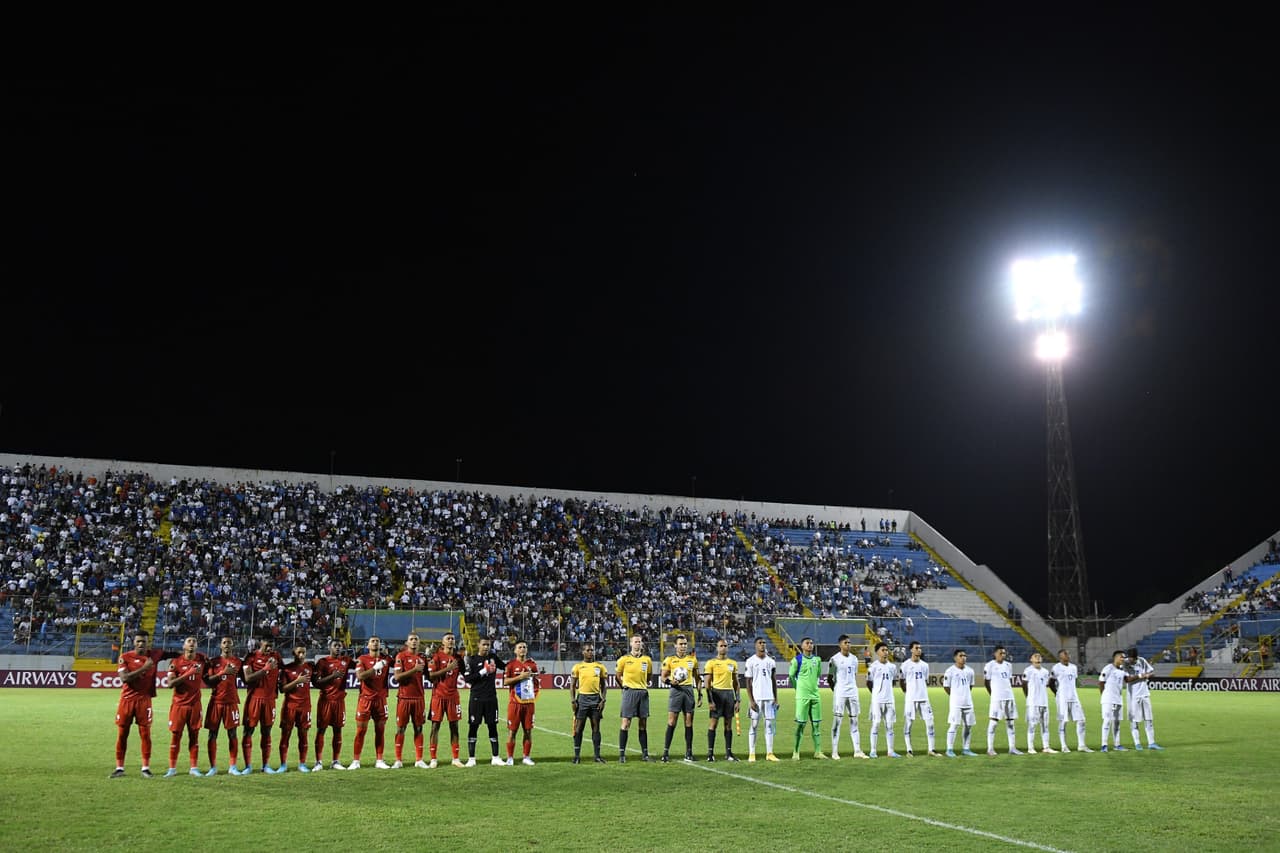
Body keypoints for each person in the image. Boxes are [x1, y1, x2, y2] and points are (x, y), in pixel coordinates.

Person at [111, 632, 172, 777]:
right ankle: (119, 768)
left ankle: (145, 768)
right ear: (134, 642)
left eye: (143, 642)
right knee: (122, 735)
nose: (141, 644)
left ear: (147, 643)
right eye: (138, 641)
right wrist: (145, 668)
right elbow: (124, 678)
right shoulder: (125, 657)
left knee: (145, 735)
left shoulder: (154, 655)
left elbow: (174, 654)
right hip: (127, 700)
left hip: (144, 701)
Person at [164, 636, 207, 777]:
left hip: (195, 705)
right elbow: (170, 684)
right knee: (176, 736)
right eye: (189, 642)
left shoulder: (202, 659)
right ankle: (172, 768)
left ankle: (194, 768)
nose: (192, 644)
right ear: (183, 646)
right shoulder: (175, 662)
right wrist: (188, 673)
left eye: (194, 642)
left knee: (194, 736)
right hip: (179, 705)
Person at [241, 635, 284, 774]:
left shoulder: (276, 656)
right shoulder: (251, 657)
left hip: (270, 700)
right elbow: (247, 678)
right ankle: (248, 766)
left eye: (271, 645)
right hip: (254, 699)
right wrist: (265, 669)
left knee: (266, 731)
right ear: (261, 643)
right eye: (267, 645)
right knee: (248, 731)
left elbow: (285, 669)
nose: (269, 648)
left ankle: (265, 765)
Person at [202, 635, 243, 776]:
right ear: (220, 645)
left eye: (229, 643)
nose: (227, 645)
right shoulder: (214, 662)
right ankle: (213, 767)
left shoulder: (238, 661)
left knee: (232, 734)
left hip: (231, 702)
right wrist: (222, 673)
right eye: (224, 643)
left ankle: (233, 766)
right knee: (212, 734)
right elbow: (208, 681)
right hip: (216, 702)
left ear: (233, 645)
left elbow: (246, 678)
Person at [463, 636, 506, 766]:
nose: (486, 647)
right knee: (473, 726)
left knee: (492, 726)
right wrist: (483, 671)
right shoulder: (472, 659)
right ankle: (471, 759)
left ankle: (496, 757)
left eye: (488, 644)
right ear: (478, 645)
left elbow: (505, 667)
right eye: (484, 644)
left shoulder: (493, 657)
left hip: (491, 698)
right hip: (476, 698)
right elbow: (468, 679)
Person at [350, 635, 393, 769]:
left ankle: (379, 760)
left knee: (380, 730)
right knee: (360, 731)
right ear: (367, 645)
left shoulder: (386, 659)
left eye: (377, 642)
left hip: (381, 700)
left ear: (380, 645)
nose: (375, 644)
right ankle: (356, 761)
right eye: (372, 642)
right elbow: (360, 676)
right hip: (365, 700)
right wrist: (375, 668)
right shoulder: (362, 659)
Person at [312, 639, 353, 770]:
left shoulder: (346, 661)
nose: (338, 648)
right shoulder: (323, 662)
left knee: (338, 730)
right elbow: (316, 683)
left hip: (339, 702)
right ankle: (318, 762)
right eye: (335, 646)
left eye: (340, 646)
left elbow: (359, 666)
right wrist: (332, 676)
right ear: (330, 647)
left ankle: (335, 761)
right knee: (321, 730)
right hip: (325, 701)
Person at [660, 634, 702, 763]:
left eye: (685, 644)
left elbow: (698, 678)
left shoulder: (692, 660)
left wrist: (700, 694)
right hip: (676, 691)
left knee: (689, 723)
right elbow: (663, 677)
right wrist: (670, 682)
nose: (683, 646)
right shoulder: (670, 660)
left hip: (688, 691)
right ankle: (665, 753)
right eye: (681, 644)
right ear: (675, 645)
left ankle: (689, 753)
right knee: (672, 722)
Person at [427, 632, 466, 768]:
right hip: (438, 696)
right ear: (443, 642)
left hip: (453, 697)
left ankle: (455, 758)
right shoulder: (437, 657)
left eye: (453, 639)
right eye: (448, 639)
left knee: (454, 727)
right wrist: (447, 668)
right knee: (435, 726)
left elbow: (465, 674)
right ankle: (433, 759)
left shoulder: (458, 659)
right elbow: (431, 676)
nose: (451, 641)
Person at [615, 633, 654, 763]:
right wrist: (625, 688)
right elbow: (618, 675)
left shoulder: (647, 660)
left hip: (643, 692)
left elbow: (649, 677)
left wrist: (641, 685)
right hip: (629, 692)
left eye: (640, 641)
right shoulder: (624, 659)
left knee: (643, 724)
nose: (638, 643)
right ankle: (622, 755)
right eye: (636, 641)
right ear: (631, 644)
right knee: (626, 723)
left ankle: (645, 754)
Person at [827, 634, 867, 760]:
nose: (848, 645)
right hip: (840, 693)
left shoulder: (854, 659)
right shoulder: (834, 659)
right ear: (840, 645)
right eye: (845, 643)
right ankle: (834, 751)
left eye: (849, 642)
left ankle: (857, 750)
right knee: (837, 721)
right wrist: (837, 690)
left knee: (854, 721)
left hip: (853, 692)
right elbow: (830, 678)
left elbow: (853, 676)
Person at [392, 633, 428, 769]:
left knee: (418, 728)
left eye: (416, 640)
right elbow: (397, 677)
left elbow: (430, 676)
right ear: (407, 642)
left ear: (419, 643)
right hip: (404, 698)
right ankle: (398, 760)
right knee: (401, 728)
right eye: (411, 639)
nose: (413, 642)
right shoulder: (401, 656)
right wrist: (414, 670)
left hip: (419, 698)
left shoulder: (423, 658)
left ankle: (419, 759)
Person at [570, 643, 609, 764]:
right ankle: (577, 756)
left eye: (592, 650)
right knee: (578, 728)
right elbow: (572, 686)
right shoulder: (578, 667)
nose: (590, 652)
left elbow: (603, 685)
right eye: (588, 650)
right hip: (582, 700)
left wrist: (603, 699)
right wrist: (573, 700)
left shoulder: (599, 666)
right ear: (583, 652)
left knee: (596, 728)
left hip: (595, 700)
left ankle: (597, 756)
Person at [702, 638, 740, 762]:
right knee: (713, 724)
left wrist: (737, 699)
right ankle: (710, 753)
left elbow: (736, 683)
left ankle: (728, 753)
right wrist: (710, 701)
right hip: (717, 693)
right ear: (717, 648)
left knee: (728, 725)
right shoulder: (711, 663)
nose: (723, 647)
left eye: (725, 645)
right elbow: (707, 683)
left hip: (729, 695)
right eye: (721, 645)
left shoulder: (732, 663)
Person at [788, 637, 826, 760]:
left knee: (816, 725)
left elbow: (818, 675)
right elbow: (791, 676)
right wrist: (798, 689)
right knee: (800, 725)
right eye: (807, 643)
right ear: (802, 646)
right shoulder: (797, 660)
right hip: (802, 697)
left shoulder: (817, 660)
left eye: (811, 643)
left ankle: (818, 752)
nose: (810, 645)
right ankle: (796, 751)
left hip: (815, 696)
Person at [277, 644, 313, 772]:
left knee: (303, 735)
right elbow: (282, 689)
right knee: (285, 735)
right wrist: (297, 681)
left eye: (303, 652)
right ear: (294, 653)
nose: (302, 655)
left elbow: (319, 681)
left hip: (305, 707)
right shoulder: (287, 669)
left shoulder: (309, 668)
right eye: (299, 652)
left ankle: (302, 764)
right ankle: (283, 764)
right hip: (289, 706)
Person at [900, 641, 940, 756]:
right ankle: (909, 750)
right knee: (908, 724)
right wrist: (907, 693)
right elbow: (902, 681)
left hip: (924, 698)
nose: (919, 650)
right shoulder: (905, 665)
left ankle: (931, 749)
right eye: (916, 648)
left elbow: (925, 680)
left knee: (930, 723)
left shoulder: (925, 665)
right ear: (911, 650)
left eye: (920, 648)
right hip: (911, 699)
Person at [503, 640, 540, 765]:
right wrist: (520, 677)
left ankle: (526, 757)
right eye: (520, 647)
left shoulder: (533, 665)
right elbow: (506, 682)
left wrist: (534, 693)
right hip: (515, 704)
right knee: (512, 731)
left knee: (528, 731)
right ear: (515, 650)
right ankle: (510, 758)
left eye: (524, 647)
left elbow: (536, 682)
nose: (522, 649)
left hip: (529, 704)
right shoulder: (511, 665)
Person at [743, 637, 779, 762]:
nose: (762, 645)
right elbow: (747, 682)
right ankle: (752, 753)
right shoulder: (750, 661)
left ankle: (769, 753)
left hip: (769, 698)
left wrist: (776, 698)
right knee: (754, 725)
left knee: (769, 725)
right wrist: (751, 700)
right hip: (756, 698)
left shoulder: (771, 661)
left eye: (764, 643)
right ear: (755, 645)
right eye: (760, 643)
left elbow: (774, 681)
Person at [1049, 649, 1091, 752]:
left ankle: (1081, 745)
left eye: (1068, 653)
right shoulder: (1056, 667)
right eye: (1066, 654)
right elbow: (1051, 682)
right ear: (1060, 657)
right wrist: (1057, 694)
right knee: (1063, 722)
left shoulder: (1073, 667)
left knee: (1081, 720)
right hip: (1062, 698)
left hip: (1074, 697)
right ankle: (1064, 746)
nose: (1068, 655)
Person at [983, 645, 1023, 756]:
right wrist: (993, 695)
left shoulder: (1008, 665)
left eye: (1004, 653)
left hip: (1009, 696)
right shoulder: (990, 665)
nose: (1003, 655)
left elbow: (1007, 680)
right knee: (994, 722)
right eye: (1000, 653)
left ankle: (1012, 748)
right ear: (995, 654)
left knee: (1010, 723)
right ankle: (990, 748)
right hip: (997, 698)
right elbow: (986, 682)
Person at [866, 641, 900, 758]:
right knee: (876, 724)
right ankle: (873, 750)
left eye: (887, 650)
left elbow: (894, 681)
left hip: (890, 700)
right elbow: (869, 682)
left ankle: (890, 751)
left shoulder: (892, 667)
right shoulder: (873, 667)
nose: (886, 652)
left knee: (890, 726)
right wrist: (876, 694)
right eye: (883, 650)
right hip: (877, 701)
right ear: (877, 652)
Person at [942, 648, 978, 757]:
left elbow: (970, 686)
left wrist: (964, 695)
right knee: (954, 725)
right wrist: (955, 696)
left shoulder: (970, 671)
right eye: (961, 656)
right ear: (955, 658)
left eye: (965, 656)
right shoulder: (950, 671)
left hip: (968, 703)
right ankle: (949, 749)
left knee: (968, 726)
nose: (963, 658)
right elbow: (946, 687)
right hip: (956, 703)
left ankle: (966, 749)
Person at [1125, 649, 1163, 750]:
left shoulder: (1141, 661)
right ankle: (1137, 743)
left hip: (1145, 694)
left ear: (1136, 657)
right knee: (1134, 721)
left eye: (1131, 658)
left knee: (1149, 720)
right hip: (1133, 696)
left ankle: (1151, 743)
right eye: (1129, 657)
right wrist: (1142, 675)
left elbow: (1152, 672)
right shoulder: (1125, 665)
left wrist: (1148, 675)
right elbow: (1127, 679)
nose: (1129, 659)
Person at [1021, 652, 1057, 754]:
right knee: (1032, 725)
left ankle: (1046, 747)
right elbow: (1024, 685)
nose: (1038, 658)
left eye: (1039, 656)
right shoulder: (1028, 671)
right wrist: (1028, 698)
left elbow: (1046, 684)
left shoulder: (1045, 672)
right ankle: (1030, 748)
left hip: (1044, 702)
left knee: (1045, 725)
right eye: (1035, 656)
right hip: (1033, 703)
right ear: (1031, 659)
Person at [1098, 650, 1128, 752]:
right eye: (1121, 657)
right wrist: (1104, 696)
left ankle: (1117, 744)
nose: (1123, 659)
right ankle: (1104, 745)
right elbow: (1101, 682)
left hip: (1118, 699)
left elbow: (1127, 679)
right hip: (1108, 699)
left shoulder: (1122, 670)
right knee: (1107, 721)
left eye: (1124, 658)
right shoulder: (1108, 668)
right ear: (1115, 657)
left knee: (1117, 722)